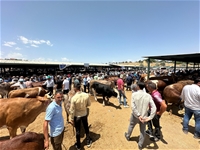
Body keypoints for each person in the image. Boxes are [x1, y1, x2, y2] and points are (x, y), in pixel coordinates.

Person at [124, 81, 156, 149]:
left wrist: (138, 115)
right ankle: (140, 144)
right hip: (144, 117)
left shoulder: (134, 94)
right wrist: (150, 117)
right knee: (143, 130)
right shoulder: (148, 95)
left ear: (138, 87)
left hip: (135, 116)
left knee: (131, 126)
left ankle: (128, 136)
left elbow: (133, 107)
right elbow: (154, 107)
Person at [69, 83, 92, 150]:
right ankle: (88, 141)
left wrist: (71, 118)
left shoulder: (73, 98)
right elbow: (89, 104)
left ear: (75, 89)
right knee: (86, 127)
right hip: (84, 114)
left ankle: (78, 145)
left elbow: (72, 110)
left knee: (78, 130)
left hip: (77, 116)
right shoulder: (86, 95)